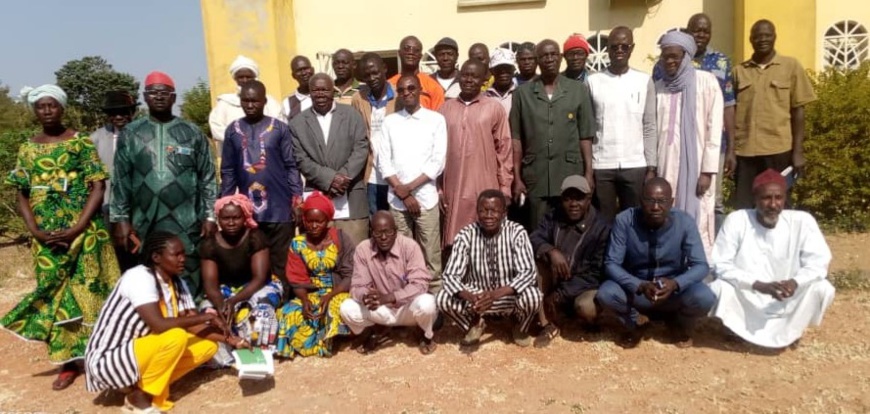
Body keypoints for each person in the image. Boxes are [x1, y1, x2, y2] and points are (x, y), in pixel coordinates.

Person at [4, 84, 120, 390]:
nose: (46, 111)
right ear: (35, 111)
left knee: (90, 292)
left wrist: (78, 227)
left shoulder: (80, 142)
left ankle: (98, 357)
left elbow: (98, 186)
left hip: (85, 234)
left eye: (52, 106)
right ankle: (67, 362)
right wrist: (35, 231)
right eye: (41, 106)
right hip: (46, 239)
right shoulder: (28, 148)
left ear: (62, 108)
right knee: (57, 297)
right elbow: (22, 193)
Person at [85, 231, 248, 413]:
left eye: (183, 254)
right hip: (109, 360)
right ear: (156, 257)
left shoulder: (177, 282)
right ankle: (138, 396)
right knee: (176, 336)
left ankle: (142, 387)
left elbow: (192, 324)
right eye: (176, 254)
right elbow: (159, 325)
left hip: (141, 351)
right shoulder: (139, 278)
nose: (182, 259)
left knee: (208, 347)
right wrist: (207, 316)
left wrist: (232, 340)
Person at [111, 71, 218, 297]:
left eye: (164, 93)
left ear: (174, 97)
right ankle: (153, 319)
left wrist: (210, 215)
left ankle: (192, 315)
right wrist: (121, 219)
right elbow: (120, 180)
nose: (159, 97)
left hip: (187, 219)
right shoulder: (130, 133)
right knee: (149, 271)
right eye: (153, 93)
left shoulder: (192, 133)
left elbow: (208, 176)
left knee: (187, 265)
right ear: (145, 97)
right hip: (144, 220)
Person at [710, 169, 835, 348]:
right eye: (766, 198)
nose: (773, 204)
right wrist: (758, 285)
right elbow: (720, 264)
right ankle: (734, 329)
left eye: (779, 198)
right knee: (718, 287)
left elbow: (818, 262)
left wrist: (794, 282)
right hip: (748, 295)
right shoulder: (737, 220)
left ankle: (792, 329)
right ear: (755, 199)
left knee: (823, 288)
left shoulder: (802, 221)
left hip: (788, 296)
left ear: (785, 198)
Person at [597, 178, 715, 349]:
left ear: (672, 202)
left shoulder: (684, 222)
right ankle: (635, 322)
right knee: (606, 293)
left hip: (672, 293)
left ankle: (678, 323)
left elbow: (701, 265)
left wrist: (675, 284)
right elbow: (611, 263)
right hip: (637, 292)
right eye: (649, 200)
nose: (655, 207)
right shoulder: (624, 220)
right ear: (640, 200)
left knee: (704, 297)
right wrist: (639, 285)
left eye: (662, 201)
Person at [436, 190, 543, 348]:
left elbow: (527, 272)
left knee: (533, 296)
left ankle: (518, 324)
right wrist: (472, 297)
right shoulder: (466, 234)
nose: (488, 215)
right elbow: (450, 275)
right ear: (477, 212)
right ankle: (475, 322)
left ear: (504, 213)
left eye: (494, 211)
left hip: (507, 295)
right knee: (442, 298)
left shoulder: (517, 232)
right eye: (483, 210)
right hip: (477, 297)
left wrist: (494, 295)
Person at [221, 80, 303, 283]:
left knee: (282, 262)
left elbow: (291, 166)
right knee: (251, 262)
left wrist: (296, 199)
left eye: (255, 101)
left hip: (279, 208)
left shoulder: (280, 129)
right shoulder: (233, 130)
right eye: (245, 101)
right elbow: (228, 170)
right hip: (247, 212)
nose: (250, 105)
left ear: (264, 101)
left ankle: (284, 308)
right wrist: (225, 203)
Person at [510, 39, 596, 231]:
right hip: (536, 175)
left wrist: (588, 173)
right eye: (544, 56)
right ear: (537, 60)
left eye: (553, 54)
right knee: (537, 229)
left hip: (569, 172)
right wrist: (517, 177)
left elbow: (585, 136)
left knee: (569, 229)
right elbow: (516, 139)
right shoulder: (522, 94)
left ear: (560, 58)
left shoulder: (578, 90)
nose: (549, 59)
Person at [732, 19, 816, 209]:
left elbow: (799, 111)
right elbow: (731, 112)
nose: (762, 39)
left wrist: (798, 152)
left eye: (767, 35)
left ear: (774, 37)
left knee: (778, 204)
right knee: (745, 206)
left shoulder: (791, 66)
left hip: (779, 150)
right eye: (757, 36)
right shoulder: (739, 71)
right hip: (745, 151)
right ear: (750, 39)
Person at [654, 31, 723, 260]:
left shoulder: (706, 82)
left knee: (700, 216)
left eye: (675, 56)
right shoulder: (659, 87)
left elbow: (714, 130)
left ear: (685, 56)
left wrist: (707, 170)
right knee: (668, 212)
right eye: (665, 57)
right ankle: (672, 261)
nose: (670, 61)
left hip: (697, 167)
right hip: (666, 163)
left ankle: (700, 265)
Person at [377, 74, 447, 293]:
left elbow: (438, 161)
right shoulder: (390, 122)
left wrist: (410, 189)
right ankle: (405, 296)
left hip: (426, 198)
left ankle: (435, 298)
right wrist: (404, 193)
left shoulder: (435, 120)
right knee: (401, 252)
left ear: (420, 91)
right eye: (402, 90)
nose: (406, 93)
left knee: (431, 253)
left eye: (411, 88)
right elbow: (383, 161)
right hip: (398, 200)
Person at [339, 211, 438, 355]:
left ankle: (425, 334)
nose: (384, 237)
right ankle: (373, 329)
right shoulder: (363, 249)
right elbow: (357, 286)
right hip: (380, 309)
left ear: (396, 231)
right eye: (378, 233)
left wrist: (389, 297)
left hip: (407, 308)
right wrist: (366, 297)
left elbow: (420, 285)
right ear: (372, 233)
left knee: (427, 303)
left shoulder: (410, 246)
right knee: (347, 308)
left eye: (388, 232)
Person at [440, 59, 513, 252]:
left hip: (485, 186)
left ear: (484, 80)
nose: (469, 80)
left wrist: (505, 188)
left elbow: (504, 150)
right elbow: (436, 153)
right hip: (453, 188)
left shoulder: (494, 108)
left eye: (474, 76)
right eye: (465, 75)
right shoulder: (445, 109)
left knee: (487, 240)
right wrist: (439, 189)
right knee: (455, 244)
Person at [529, 175, 611, 347]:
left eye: (579, 198)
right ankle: (548, 325)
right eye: (568, 199)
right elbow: (535, 237)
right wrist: (551, 251)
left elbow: (595, 274)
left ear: (588, 199)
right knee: (537, 268)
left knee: (586, 307)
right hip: (557, 280)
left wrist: (561, 294)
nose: (573, 204)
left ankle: (590, 322)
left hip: (584, 287)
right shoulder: (553, 217)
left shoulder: (601, 228)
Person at [587, 26, 657, 223]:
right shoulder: (593, 82)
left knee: (634, 220)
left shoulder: (644, 81)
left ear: (632, 48)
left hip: (634, 163)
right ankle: (606, 255)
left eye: (624, 46)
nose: (619, 50)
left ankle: (633, 255)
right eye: (614, 46)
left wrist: (651, 167)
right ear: (607, 49)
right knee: (603, 221)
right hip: (602, 164)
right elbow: (588, 129)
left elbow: (650, 126)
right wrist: (589, 168)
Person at [290, 73, 370, 246]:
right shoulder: (297, 123)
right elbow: (300, 158)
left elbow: (361, 147)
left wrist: (343, 177)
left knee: (355, 253)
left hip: (351, 195)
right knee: (318, 254)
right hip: (317, 194)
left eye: (325, 90)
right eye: (315, 90)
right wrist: (330, 179)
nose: (320, 94)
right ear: (309, 92)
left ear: (332, 91)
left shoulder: (352, 115)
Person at [276, 192, 354, 358]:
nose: (314, 226)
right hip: (310, 292)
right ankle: (311, 343)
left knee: (333, 307)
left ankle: (331, 339)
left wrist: (330, 295)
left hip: (338, 290)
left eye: (319, 221)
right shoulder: (298, 243)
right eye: (310, 221)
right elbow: (297, 279)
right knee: (288, 312)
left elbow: (350, 274)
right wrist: (304, 300)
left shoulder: (340, 238)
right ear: (304, 220)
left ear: (327, 221)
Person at [199, 195, 284, 341]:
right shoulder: (210, 244)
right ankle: (226, 350)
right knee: (209, 313)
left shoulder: (255, 237)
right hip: (225, 289)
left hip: (256, 287)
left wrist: (233, 301)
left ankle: (259, 349)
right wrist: (221, 306)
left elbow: (259, 278)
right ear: (218, 219)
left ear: (245, 217)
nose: (231, 223)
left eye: (236, 218)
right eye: (226, 218)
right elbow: (210, 285)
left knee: (262, 311)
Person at [686, 14, 737, 227]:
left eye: (705, 31)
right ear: (687, 31)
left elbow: (729, 105)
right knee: (684, 196)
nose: (701, 35)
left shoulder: (721, 62)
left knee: (714, 201)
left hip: (715, 144)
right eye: (696, 30)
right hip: (684, 141)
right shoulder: (676, 59)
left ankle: (715, 253)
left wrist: (732, 149)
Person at [90, 90, 139, 271]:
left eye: (123, 111)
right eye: (113, 113)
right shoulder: (96, 139)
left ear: (132, 112)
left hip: (140, 205)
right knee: (115, 251)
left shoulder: (143, 133)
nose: (118, 116)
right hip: (108, 206)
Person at [351, 53, 397, 215]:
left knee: (399, 224)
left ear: (384, 69)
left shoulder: (399, 97)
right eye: (367, 75)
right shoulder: (359, 99)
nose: (372, 78)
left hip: (396, 174)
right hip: (371, 175)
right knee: (376, 222)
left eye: (375, 72)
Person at [208, 55, 283, 150]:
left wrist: (260, 141)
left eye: (248, 77)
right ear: (235, 78)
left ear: (255, 77)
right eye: (240, 77)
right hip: (235, 155)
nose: (244, 80)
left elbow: (279, 128)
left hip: (267, 153)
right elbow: (217, 129)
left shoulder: (271, 103)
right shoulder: (224, 104)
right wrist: (242, 140)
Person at [388, 36, 445, 111]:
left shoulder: (433, 87)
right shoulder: (389, 85)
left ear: (420, 56)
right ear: (399, 53)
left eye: (416, 50)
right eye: (406, 48)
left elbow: (438, 117)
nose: (411, 52)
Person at [484, 48, 518, 114]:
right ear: (492, 71)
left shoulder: (521, 95)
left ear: (513, 70)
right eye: (499, 68)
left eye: (507, 68)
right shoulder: (484, 97)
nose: (503, 72)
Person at [283, 55, 315, 121]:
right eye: (299, 70)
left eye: (306, 68)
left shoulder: (326, 95)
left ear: (312, 70)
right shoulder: (288, 103)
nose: (303, 73)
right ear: (293, 75)